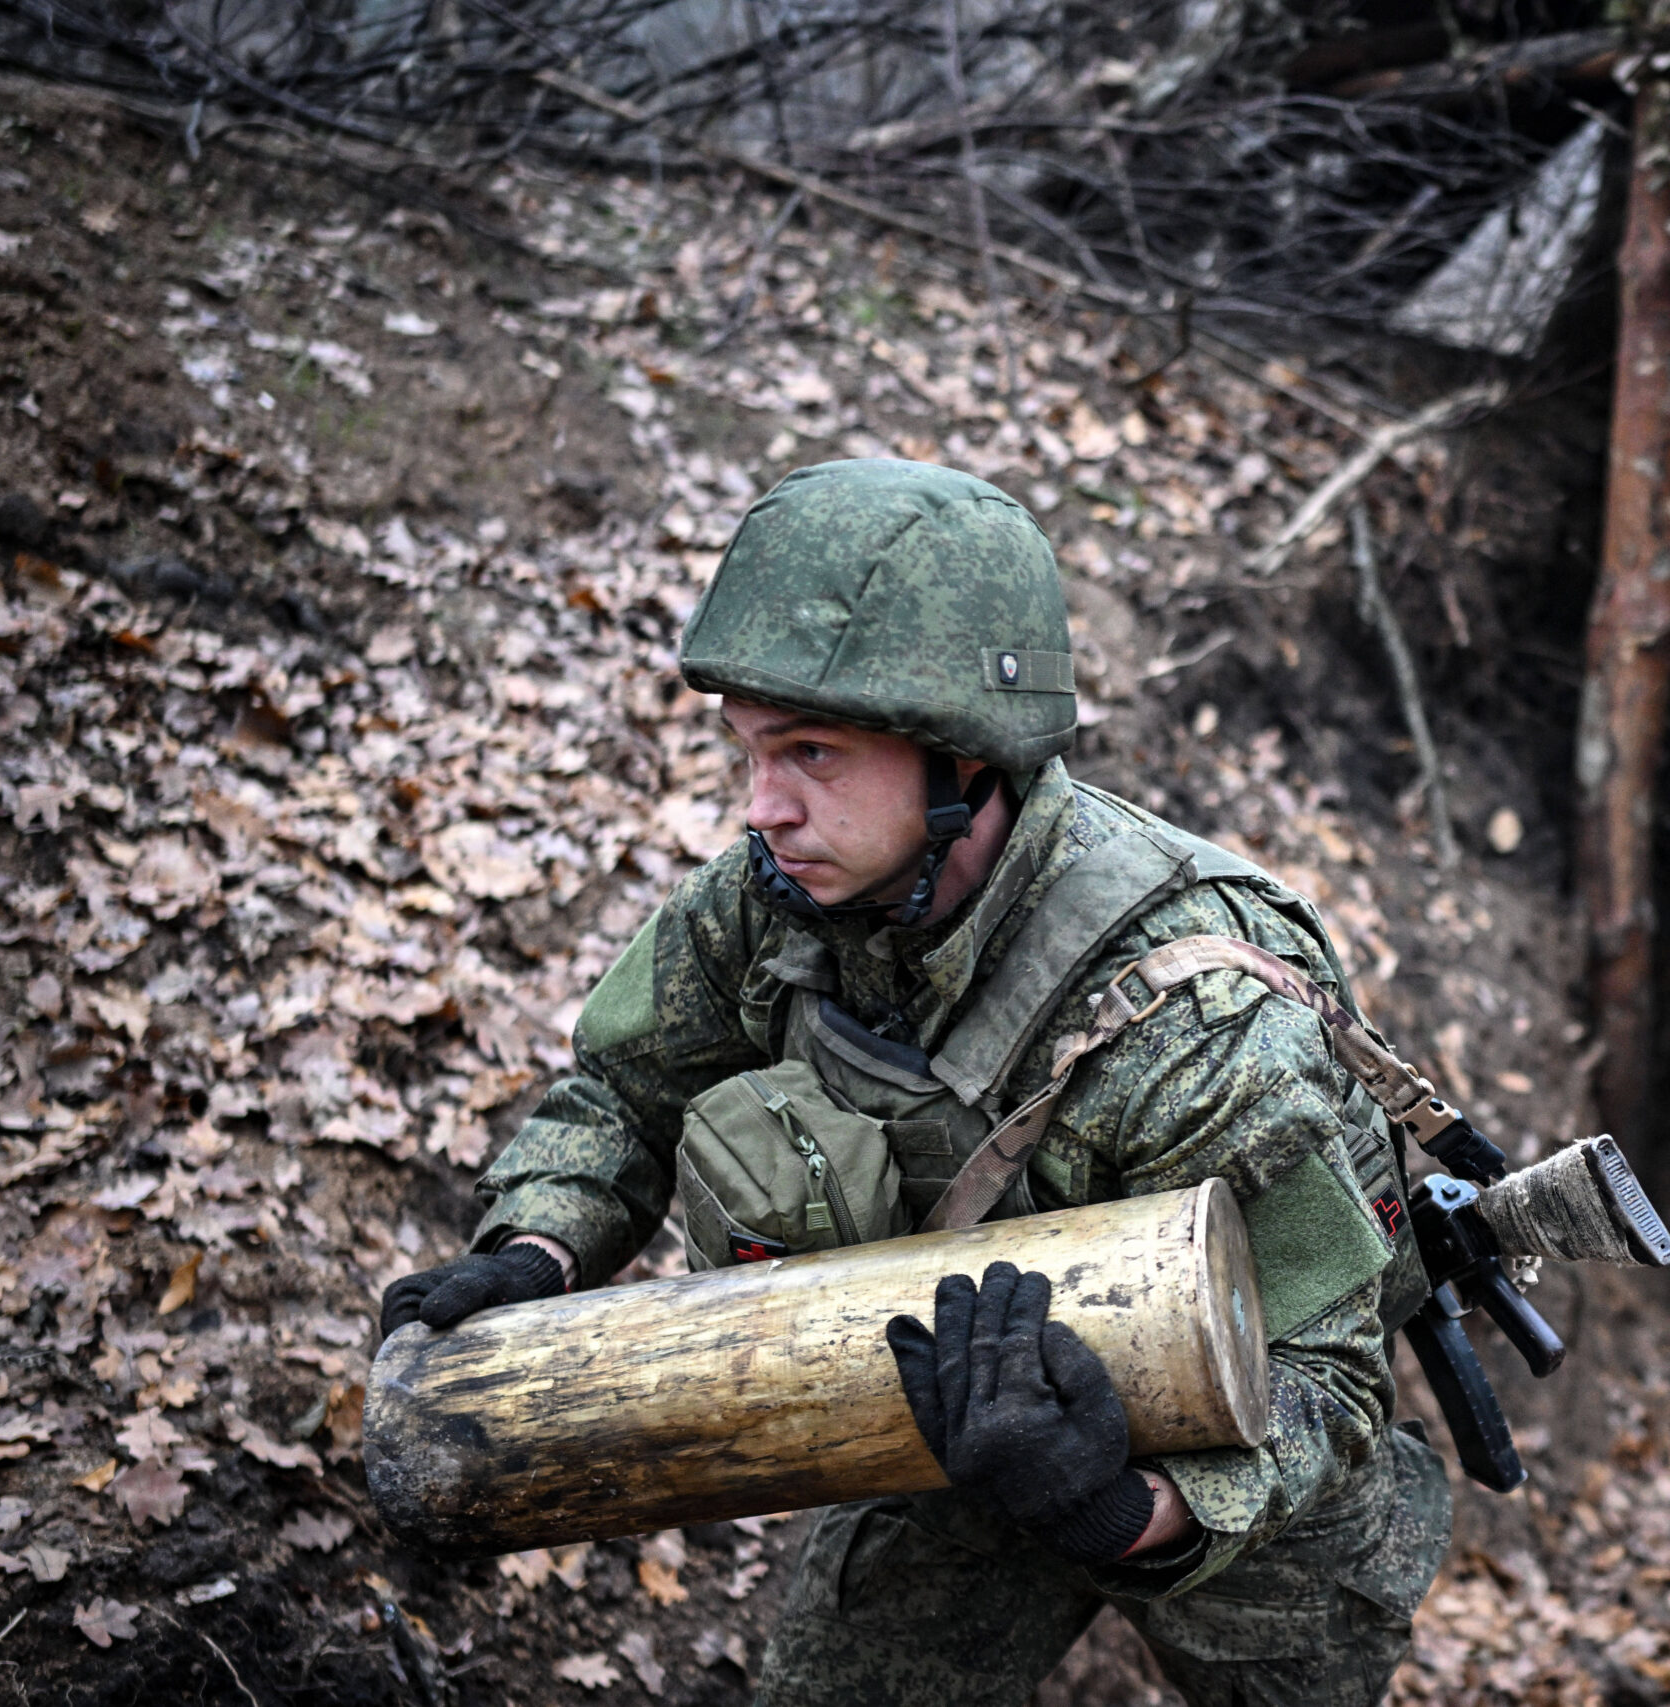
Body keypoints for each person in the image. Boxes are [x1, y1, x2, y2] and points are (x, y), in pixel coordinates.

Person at [378, 459, 1451, 1706]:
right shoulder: (776, 898)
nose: (759, 807)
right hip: (959, 1423)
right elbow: (627, 1092)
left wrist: (1124, 1513)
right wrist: (539, 1247)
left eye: (812, 754)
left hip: (1233, 1464)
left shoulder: (1201, 1016)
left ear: (963, 758)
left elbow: (1326, 1375)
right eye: (748, 752)